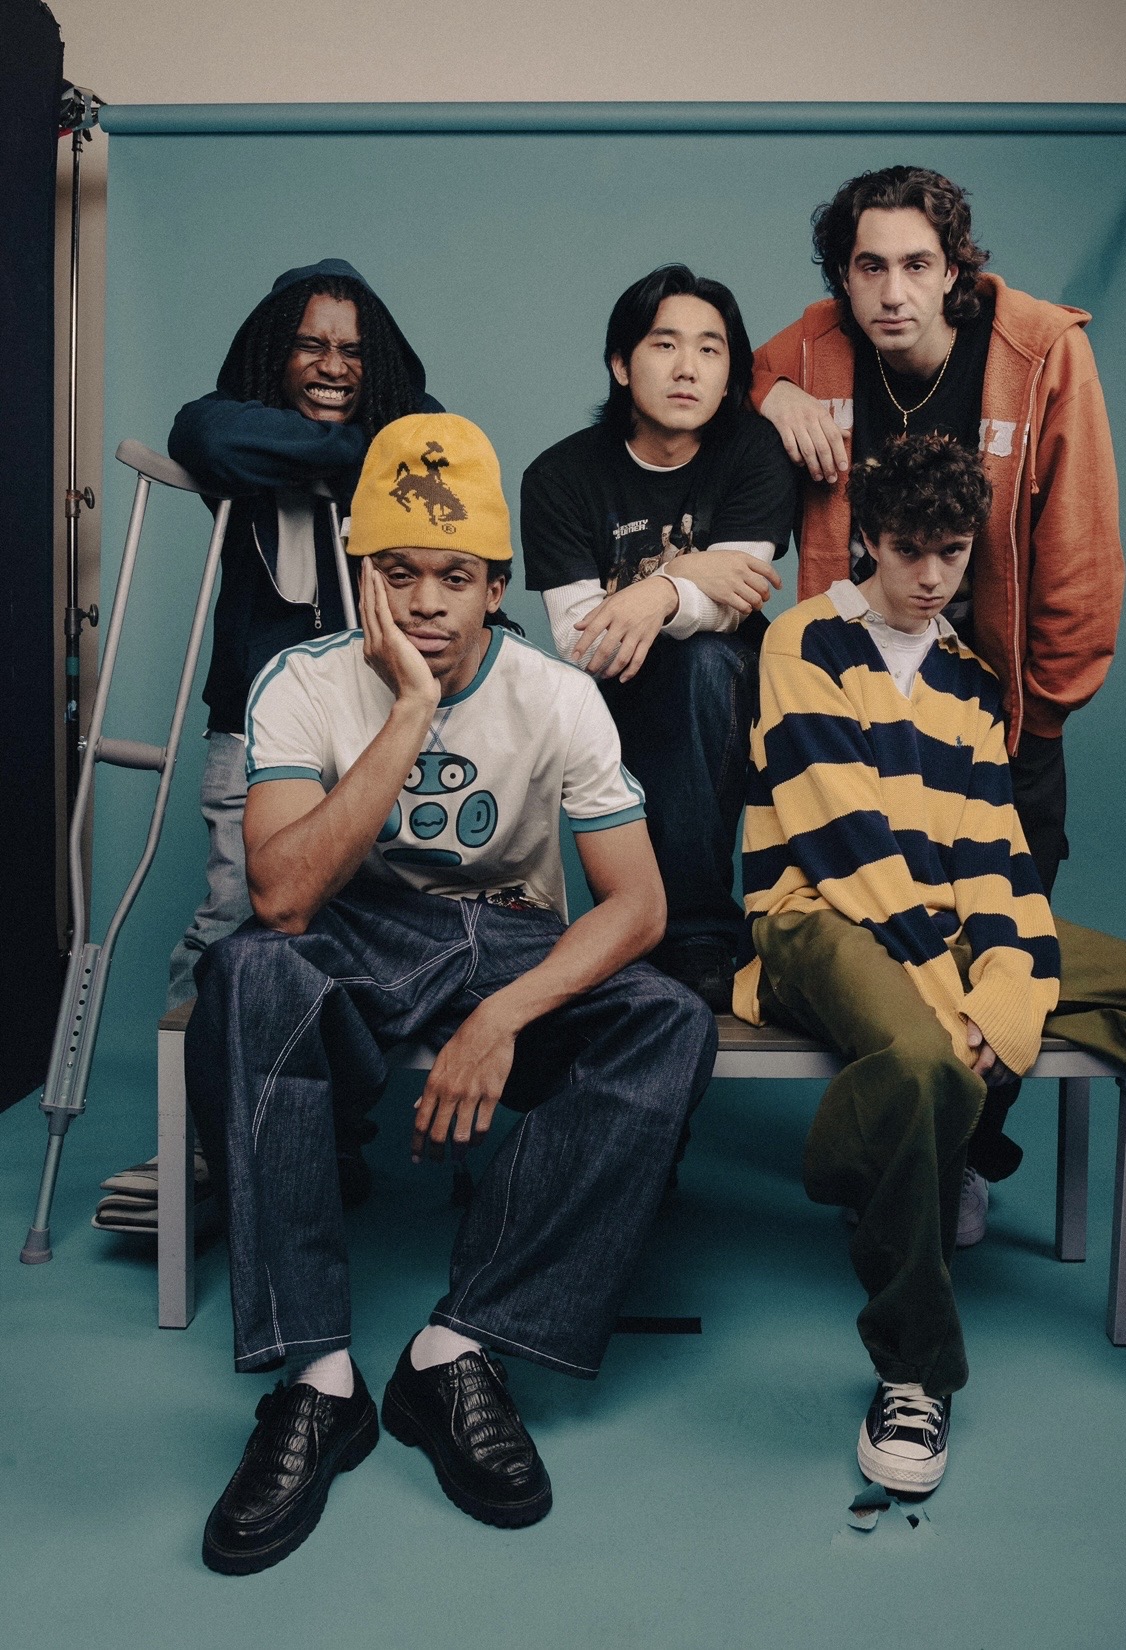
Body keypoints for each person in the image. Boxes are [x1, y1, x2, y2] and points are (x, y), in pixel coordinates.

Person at [735, 433, 1126, 1500]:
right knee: (924, 1064)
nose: (928, 577)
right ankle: (913, 1372)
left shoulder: (965, 678)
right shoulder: (803, 641)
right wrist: (964, 1012)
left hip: (952, 926)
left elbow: (994, 858)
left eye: (949, 553)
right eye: (907, 549)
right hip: (819, 916)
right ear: (866, 537)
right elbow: (846, 845)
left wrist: (1002, 990)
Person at [185, 414, 717, 1575]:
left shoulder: (558, 694)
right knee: (248, 971)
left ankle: (455, 1351)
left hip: (508, 943)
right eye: (398, 575)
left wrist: (501, 1015)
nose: (426, 603)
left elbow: (636, 908)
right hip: (357, 936)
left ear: (494, 587)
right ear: (360, 578)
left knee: (669, 1022)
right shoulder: (303, 683)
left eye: (454, 577)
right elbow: (281, 898)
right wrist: (412, 710)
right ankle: (319, 1381)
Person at [751, 167, 1126, 1197]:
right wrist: (776, 390)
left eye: (917, 264)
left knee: (1000, 932)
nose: (893, 292)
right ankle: (920, 1150)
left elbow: (1083, 550)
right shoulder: (816, 346)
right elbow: (721, 369)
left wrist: (1037, 711)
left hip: (995, 704)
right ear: (843, 274)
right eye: (869, 266)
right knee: (883, 920)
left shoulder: (1044, 351)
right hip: (859, 698)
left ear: (954, 268)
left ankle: (953, 1152)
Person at [164, 258, 440, 1009]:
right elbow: (207, 438)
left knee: (368, 931)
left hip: (374, 721)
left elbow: (434, 431)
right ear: (273, 355)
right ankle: (199, 1111)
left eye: (354, 352)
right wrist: (360, 450)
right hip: (252, 724)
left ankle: (314, 1101)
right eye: (310, 346)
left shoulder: (417, 433)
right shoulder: (228, 422)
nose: (332, 367)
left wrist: (347, 450)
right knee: (233, 920)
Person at [521, 265, 798, 1011]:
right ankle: (633, 931)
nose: (687, 369)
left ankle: (699, 935)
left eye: (710, 350)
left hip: (732, 701)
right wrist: (693, 574)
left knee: (706, 662)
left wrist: (655, 590)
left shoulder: (753, 452)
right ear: (620, 363)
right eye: (664, 345)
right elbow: (587, 641)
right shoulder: (559, 476)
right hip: (612, 701)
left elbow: (738, 597)